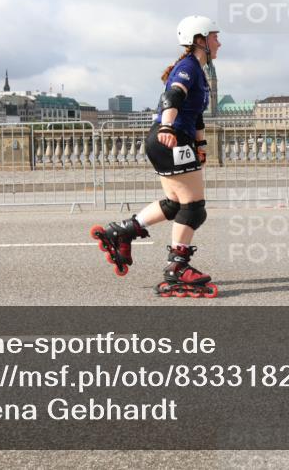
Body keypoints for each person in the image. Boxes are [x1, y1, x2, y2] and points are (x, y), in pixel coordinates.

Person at [91, 15, 221, 298]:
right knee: (193, 207)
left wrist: (201, 146)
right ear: (200, 40)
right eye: (214, 37)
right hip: (170, 138)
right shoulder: (188, 67)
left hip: (171, 140)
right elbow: (172, 97)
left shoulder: (198, 71)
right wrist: (167, 126)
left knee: (175, 204)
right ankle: (178, 267)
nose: (218, 43)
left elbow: (196, 115)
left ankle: (123, 231)